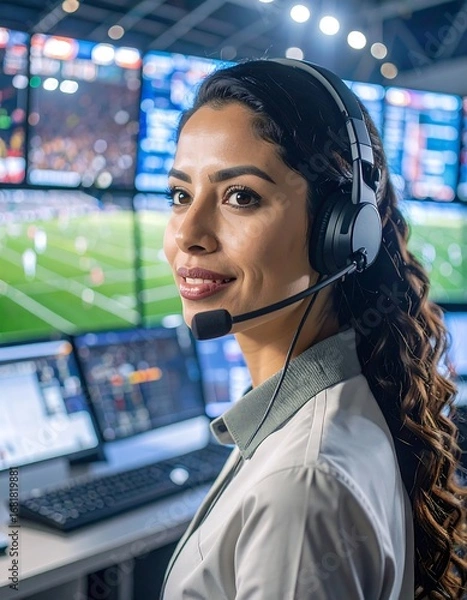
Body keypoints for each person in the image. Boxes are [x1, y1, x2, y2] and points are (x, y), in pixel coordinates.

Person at [160, 58, 467, 599]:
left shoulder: (300, 485)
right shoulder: (305, 417)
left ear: (340, 233)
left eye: (241, 196)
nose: (188, 232)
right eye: (180, 195)